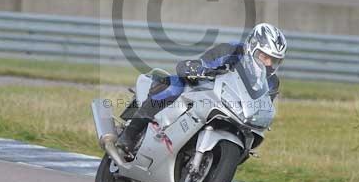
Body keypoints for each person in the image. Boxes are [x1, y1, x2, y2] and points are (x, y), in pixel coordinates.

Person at [116, 22, 288, 156]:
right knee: (174, 85)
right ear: (252, 47)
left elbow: (263, 106)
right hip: (205, 95)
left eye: (275, 60)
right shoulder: (233, 51)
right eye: (265, 57)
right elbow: (205, 63)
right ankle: (130, 134)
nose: (269, 64)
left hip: (235, 113)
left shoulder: (272, 82)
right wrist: (196, 68)